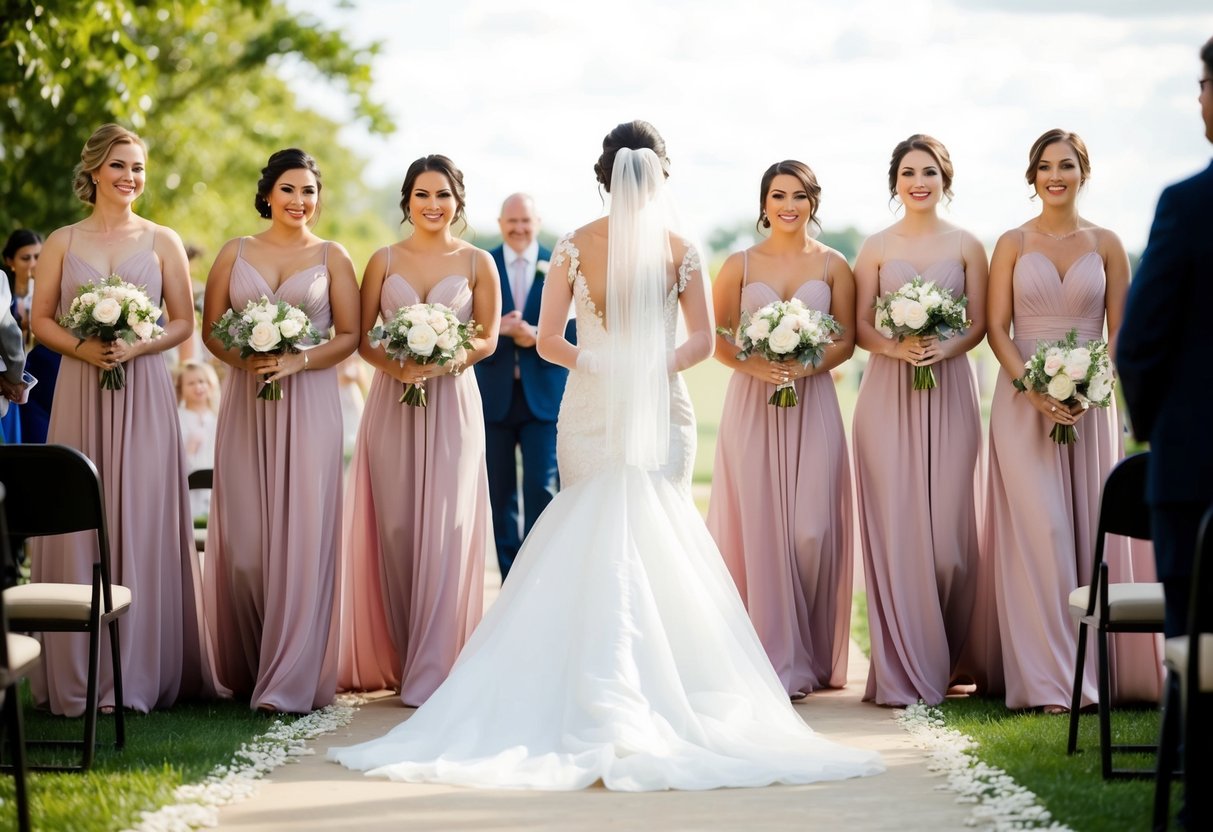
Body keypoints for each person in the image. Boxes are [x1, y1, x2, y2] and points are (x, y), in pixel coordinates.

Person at [329, 121, 884, 791]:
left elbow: (702, 340)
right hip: (594, 408)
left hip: (653, 408)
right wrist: (611, 364)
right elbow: (549, 340)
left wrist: (642, 366)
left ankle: (657, 687)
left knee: (656, 534)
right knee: (594, 533)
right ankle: (593, 685)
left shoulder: (676, 249)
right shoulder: (575, 246)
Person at [26, 123, 211, 714]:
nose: (131, 178)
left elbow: (183, 322)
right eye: (120, 166)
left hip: (146, 387)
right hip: (82, 386)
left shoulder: (163, 240)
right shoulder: (62, 240)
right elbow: (42, 320)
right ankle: (78, 674)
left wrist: (138, 346)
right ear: (95, 171)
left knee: (141, 513)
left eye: (139, 169)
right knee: (82, 517)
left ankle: (139, 674)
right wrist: (84, 350)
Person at [985, 129, 1164, 713]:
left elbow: (1121, 332)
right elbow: (996, 330)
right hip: (1022, 405)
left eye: (1066, 165)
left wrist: (1092, 388)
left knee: (1089, 532)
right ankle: (1048, 680)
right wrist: (1033, 391)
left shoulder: (1107, 242)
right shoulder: (1011, 242)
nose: (1054, 175)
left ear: (1084, 172)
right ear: (1031, 175)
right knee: (1044, 535)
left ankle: (1098, 672)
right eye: (1044, 166)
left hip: (1091, 405)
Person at [202, 148, 360, 714]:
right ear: (268, 192)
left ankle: (292, 676)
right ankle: (248, 665)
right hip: (247, 402)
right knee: (246, 545)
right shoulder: (234, 252)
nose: (299, 201)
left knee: (302, 537)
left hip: (311, 401)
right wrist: (244, 359)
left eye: (309, 191)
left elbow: (349, 335)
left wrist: (300, 360)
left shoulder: (332, 255)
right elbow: (212, 331)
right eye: (289, 189)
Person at [337, 155, 497, 706]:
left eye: (443, 195)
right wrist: (400, 366)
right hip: (392, 402)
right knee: (399, 530)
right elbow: (362, 339)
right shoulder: (382, 259)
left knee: (447, 529)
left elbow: (487, 339)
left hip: (452, 401)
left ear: (458, 201)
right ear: (407, 201)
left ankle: (439, 663)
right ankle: (404, 658)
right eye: (423, 195)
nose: (433, 205)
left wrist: (446, 361)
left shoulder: (479, 262)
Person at [851, 135, 999, 707]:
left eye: (930, 172)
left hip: (952, 387)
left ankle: (952, 656)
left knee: (948, 545)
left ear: (946, 179)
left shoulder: (968, 244)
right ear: (895, 182)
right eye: (909, 172)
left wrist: (945, 346)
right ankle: (906, 664)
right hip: (887, 395)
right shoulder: (876, 247)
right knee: (901, 533)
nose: (919, 181)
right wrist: (895, 349)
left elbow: (981, 323)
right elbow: (860, 325)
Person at [706, 161, 857, 698]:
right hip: (752, 403)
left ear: (813, 201)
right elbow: (718, 338)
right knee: (763, 530)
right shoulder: (739, 264)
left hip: (813, 401)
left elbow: (847, 337)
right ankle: (773, 659)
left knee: (810, 529)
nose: (788, 205)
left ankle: (810, 651)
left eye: (798, 195)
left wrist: (807, 365)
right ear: (764, 203)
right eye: (777, 195)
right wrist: (757, 367)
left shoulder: (835, 264)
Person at [474, 193, 572, 581]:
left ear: (537, 222)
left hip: (544, 397)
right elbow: (463, 325)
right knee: (499, 496)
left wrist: (537, 335)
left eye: (525, 221)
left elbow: (581, 324)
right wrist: (500, 330)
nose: (518, 228)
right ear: (500, 223)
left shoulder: (560, 263)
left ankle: (539, 577)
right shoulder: (483, 263)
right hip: (493, 396)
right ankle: (509, 579)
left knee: (541, 490)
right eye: (511, 221)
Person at [3, 230, 47, 442]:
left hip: (38, 382)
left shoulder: (48, 297)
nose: (33, 263)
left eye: (38, 257)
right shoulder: (5, 295)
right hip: (9, 381)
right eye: (26, 257)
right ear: (10, 261)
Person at [174, 358, 220, 521]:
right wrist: (190, 450)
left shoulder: (218, 417)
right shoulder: (178, 419)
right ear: (181, 388)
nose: (198, 387)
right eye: (191, 383)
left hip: (216, 492)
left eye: (202, 381)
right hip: (189, 491)